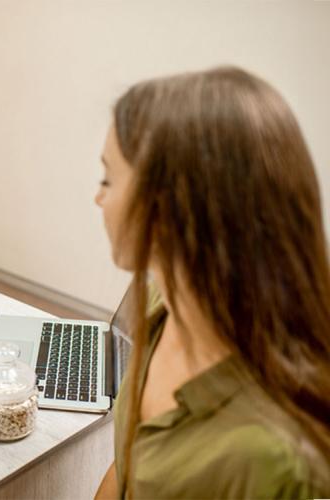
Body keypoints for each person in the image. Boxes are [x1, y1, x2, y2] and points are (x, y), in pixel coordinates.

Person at [93, 67, 330, 498]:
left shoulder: (273, 463)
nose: (99, 198)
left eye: (108, 179)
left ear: (171, 209)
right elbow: (129, 461)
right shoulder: (161, 302)